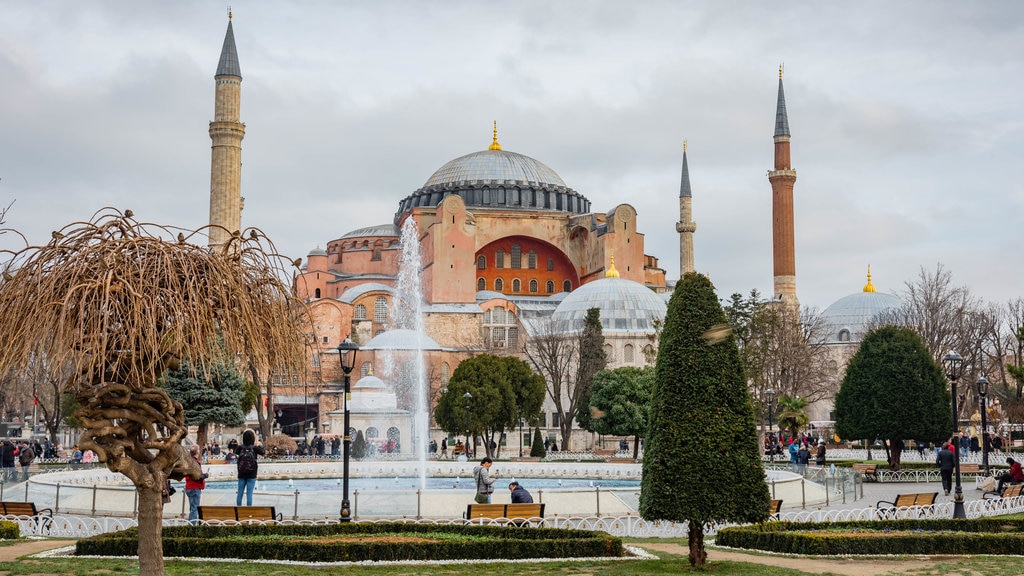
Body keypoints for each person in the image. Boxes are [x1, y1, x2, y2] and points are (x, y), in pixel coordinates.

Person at [234, 429, 265, 506]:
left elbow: (236, 452)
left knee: (240, 493)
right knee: (249, 494)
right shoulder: (254, 448)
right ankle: (248, 512)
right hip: (252, 474)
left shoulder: (240, 448)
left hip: (241, 473)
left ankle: (238, 510)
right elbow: (263, 452)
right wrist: (258, 443)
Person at [184, 445, 208, 524]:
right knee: (194, 509)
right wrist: (205, 475)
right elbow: (197, 477)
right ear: (197, 452)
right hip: (194, 487)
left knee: (192, 508)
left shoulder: (188, 462)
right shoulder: (195, 462)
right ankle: (192, 527)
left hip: (189, 487)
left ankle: (191, 524)